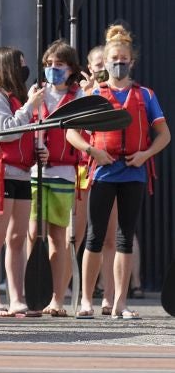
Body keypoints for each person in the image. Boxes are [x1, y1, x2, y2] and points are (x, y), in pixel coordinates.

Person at [68, 24, 169, 320]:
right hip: (102, 172)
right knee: (94, 236)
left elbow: (164, 135)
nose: (119, 63)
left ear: (132, 62)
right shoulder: (95, 95)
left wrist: (146, 154)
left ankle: (119, 304)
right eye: (114, 58)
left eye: (124, 58)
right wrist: (93, 151)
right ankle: (86, 301)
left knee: (126, 237)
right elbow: (72, 133)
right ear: (106, 61)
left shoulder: (146, 95)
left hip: (134, 172)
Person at [0, 47, 41, 318]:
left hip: (22, 174)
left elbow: (26, 134)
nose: (24, 70)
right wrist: (30, 107)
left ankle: (17, 297)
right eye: (20, 65)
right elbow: (5, 132)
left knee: (18, 238)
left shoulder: (19, 98)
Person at [28, 40, 84, 317]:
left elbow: (82, 133)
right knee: (31, 233)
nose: (52, 69)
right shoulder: (36, 93)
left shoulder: (79, 96)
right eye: (48, 64)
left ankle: (57, 298)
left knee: (57, 236)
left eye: (59, 65)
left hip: (63, 173)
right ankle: (31, 296)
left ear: (71, 68)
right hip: (35, 172)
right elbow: (27, 125)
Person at [75, 45, 116, 314]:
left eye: (106, 64)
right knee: (79, 232)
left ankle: (109, 295)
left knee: (111, 236)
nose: (102, 69)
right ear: (89, 68)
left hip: (113, 168)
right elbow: (74, 133)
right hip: (82, 169)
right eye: (97, 65)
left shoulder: (121, 94)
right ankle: (75, 293)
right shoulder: (84, 95)